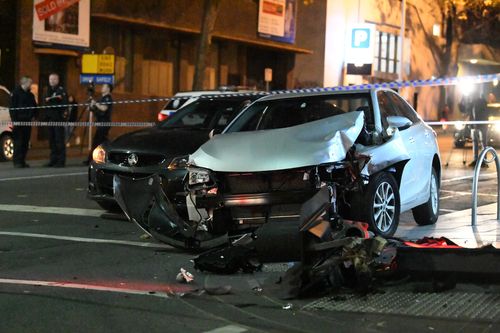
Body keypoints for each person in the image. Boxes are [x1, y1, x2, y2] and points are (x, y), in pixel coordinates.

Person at [9, 76, 37, 168]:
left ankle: (22, 161)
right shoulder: (15, 93)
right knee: (18, 142)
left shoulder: (30, 95)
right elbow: (12, 108)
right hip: (18, 121)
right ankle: (17, 161)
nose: (31, 85)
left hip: (27, 121)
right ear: (24, 83)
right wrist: (14, 120)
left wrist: (34, 116)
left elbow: (34, 107)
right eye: (30, 82)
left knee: (25, 142)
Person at [84, 83, 113, 165]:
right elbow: (97, 110)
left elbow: (104, 108)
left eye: (104, 86)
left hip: (104, 124)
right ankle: (93, 159)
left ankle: (92, 160)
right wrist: (91, 106)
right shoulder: (102, 98)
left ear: (108, 89)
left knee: (98, 142)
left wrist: (95, 103)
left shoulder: (108, 98)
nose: (102, 88)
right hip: (100, 123)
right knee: (101, 142)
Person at [44, 73, 67, 167]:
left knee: (59, 141)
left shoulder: (61, 90)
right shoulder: (48, 90)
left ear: (58, 80)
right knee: (52, 140)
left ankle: (61, 161)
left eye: (54, 79)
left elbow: (63, 104)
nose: (52, 81)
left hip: (58, 120)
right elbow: (45, 102)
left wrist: (52, 100)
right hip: (50, 119)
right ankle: (53, 160)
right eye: (50, 79)